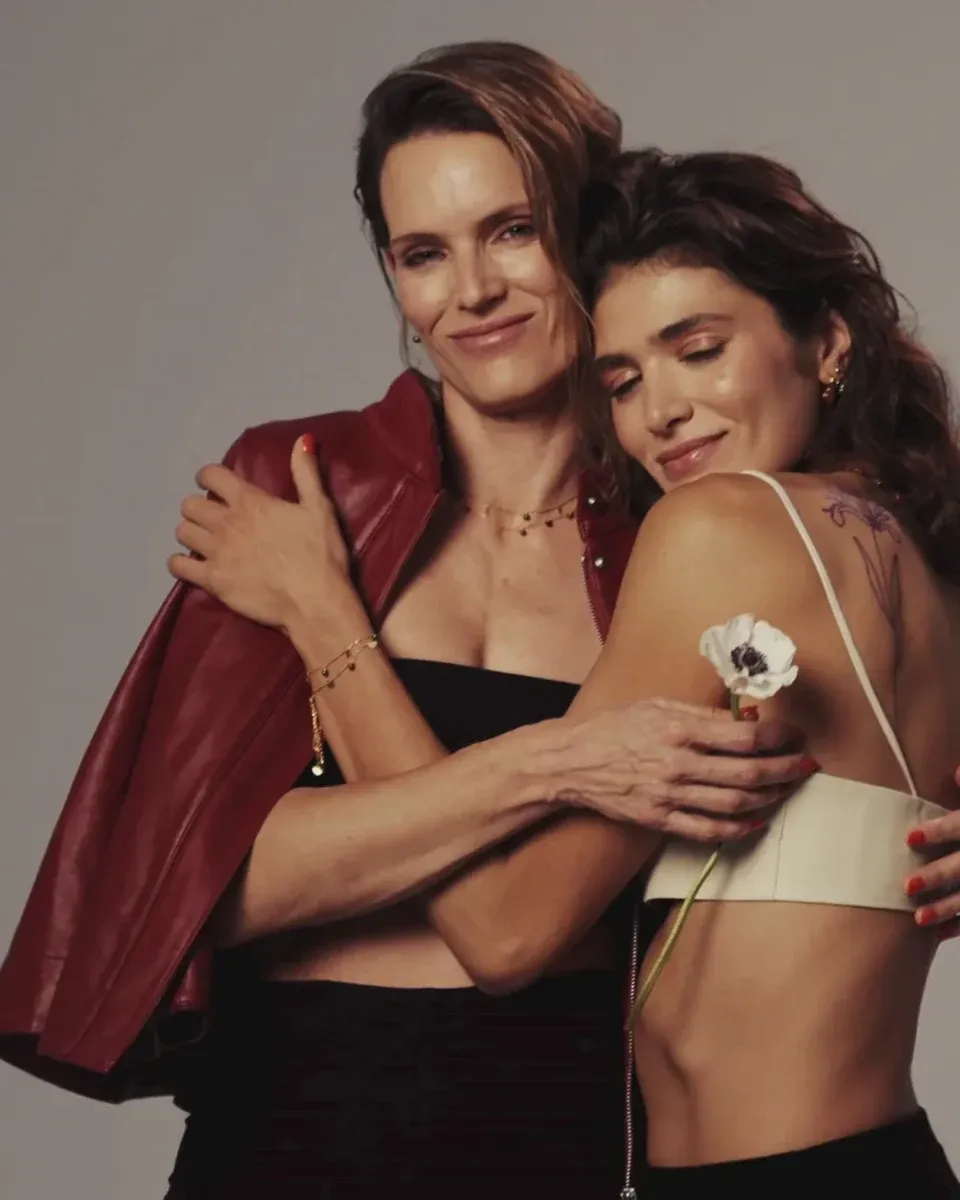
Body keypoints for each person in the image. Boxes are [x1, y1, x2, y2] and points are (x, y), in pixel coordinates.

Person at [0, 43, 811, 1200]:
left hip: (559, 1125)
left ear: (588, 230)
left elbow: (879, 632)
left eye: (512, 231)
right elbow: (197, 881)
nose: (470, 294)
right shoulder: (296, 491)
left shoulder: (685, 528)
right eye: (423, 254)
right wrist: (566, 760)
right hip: (280, 1129)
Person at [559, 147, 960, 1193]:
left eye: (698, 350)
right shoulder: (931, 564)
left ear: (824, 340)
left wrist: (333, 634)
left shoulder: (720, 525)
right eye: (626, 379)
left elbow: (508, 930)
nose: (661, 412)